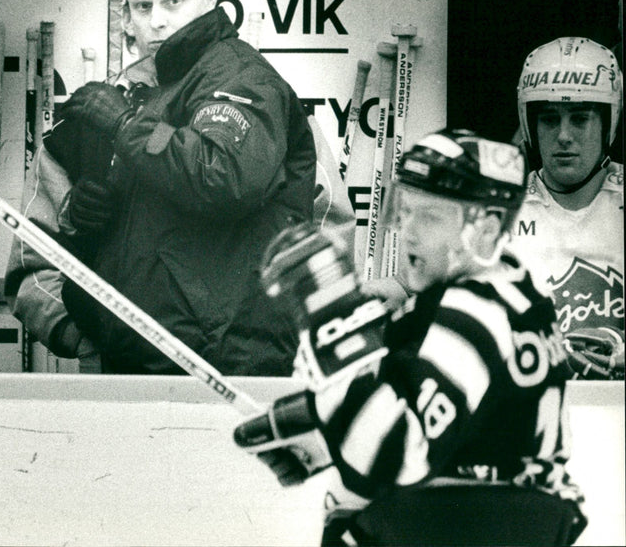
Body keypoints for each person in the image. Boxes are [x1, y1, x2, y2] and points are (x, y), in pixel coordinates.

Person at [234, 129, 587, 546]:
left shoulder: (476, 306)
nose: (410, 231)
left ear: (487, 230)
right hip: (519, 516)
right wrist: (320, 428)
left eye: (431, 216)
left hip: (477, 520)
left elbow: (397, 456)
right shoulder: (516, 290)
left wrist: (335, 317)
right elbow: (468, 420)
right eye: (405, 211)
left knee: (349, 516)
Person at [5, 0, 317, 375]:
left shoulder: (243, 78)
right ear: (125, 15)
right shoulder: (111, 103)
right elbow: (35, 255)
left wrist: (125, 126)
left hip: (229, 368)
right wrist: (81, 236)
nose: (158, 21)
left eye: (175, 2)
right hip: (135, 368)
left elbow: (224, 177)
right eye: (143, 6)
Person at [510, 37, 624, 380]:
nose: (563, 136)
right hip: (530, 414)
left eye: (579, 119)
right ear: (530, 126)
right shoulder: (499, 210)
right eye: (548, 119)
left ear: (607, 123)